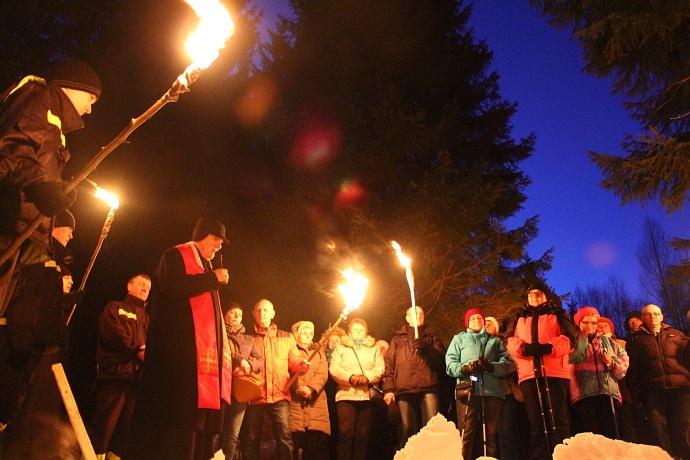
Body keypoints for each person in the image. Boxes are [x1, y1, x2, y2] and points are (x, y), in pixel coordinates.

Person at [127, 217, 233, 460]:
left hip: (197, 364)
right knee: (173, 424)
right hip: (175, 359)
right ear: (202, 235)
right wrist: (212, 279)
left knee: (193, 427)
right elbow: (171, 286)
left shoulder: (207, 267)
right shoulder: (175, 255)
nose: (219, 246)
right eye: (216, 240)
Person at [0, 59, 101, 311]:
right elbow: (13, 146)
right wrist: (39, 186)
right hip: (5, 219)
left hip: (16, 226)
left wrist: (57, 189)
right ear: (71, 86)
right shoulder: (38, 97)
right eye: (90, 98)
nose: (89, 109)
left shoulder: (54, 121)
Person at [0, 209, 80, 431]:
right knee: (6, 396)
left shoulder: (54, 259)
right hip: (17, 339)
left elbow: (44, 303)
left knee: (12, 401)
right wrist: (23, 337)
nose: (72, 236)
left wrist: (63, 304)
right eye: (70, 229)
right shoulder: (36, 252)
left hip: (31, 341)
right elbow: (25, 298)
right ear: (54, 227)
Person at [504, 283, 578, 460]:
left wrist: (548, 348)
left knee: (558, 419)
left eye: (538, 293)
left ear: (545, 296)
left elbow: (569, 339)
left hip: (554, 373)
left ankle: (563, 456)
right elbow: (508, 340)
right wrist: (524, 349)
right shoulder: (518, 317)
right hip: (529, 374)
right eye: (531, 294)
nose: (534, 296)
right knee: (536, 422)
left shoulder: (558, 314)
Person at [90, 274, 151, 459]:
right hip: (114, 377)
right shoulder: (115, 308)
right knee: (104, 426)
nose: (145, 289)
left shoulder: (148, 319)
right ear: (129, 286)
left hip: (135, 381)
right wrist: (138, 349)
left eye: (148, 287)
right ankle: (92, 456)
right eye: (141, 284)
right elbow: (113, 333)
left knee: (124, 431)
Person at [241, 299, 309, 460]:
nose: (262, 313)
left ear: (273, 314)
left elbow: (293, 360)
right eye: (258, 310)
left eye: (266, 310)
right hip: (254, 394)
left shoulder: (286, 337)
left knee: (284, 435)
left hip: (280, 394)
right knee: (251, 437)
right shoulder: (246, 336)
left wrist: (301, 365)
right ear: (253, 314)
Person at [446, 308, 513, 459]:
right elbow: (450, 364)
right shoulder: (459, 339)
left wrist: (491, 367)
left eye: (479, 317)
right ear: (467, 323)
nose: (477, 320)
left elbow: (505, 364)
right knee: (466, 432)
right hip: (467, 390)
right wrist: (466, 368)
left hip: (491, 391)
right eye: (473, 318)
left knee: (489, 434)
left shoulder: (494, 341)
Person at [626, 303, 690, 458]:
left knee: (681, 427)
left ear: (662, 316)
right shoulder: (636, 341)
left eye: (656, 313)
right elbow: (633, 369)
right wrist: (636, 392)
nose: (652, 317)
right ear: (643, 318)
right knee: (658, 430)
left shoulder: (677, 334)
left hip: (680, 388)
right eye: (648, 314)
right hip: (653, 391)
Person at [382, 306, 446, 449]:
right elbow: (389, 364)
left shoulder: (431, 337)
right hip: (404, 388)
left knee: (431, 427)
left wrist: (428, 348)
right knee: (407, 427)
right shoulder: (397, 339)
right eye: (414, 313)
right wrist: (388, 389)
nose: (418, 315)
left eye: (421, 313)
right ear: (407, 318)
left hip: (428, 386)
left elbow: (442, 362)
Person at [568, 306, 628, 439]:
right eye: (586, 322)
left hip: (607, 393)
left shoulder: (608, 342)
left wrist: (612, 362)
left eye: (593, 323)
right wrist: (583, 339)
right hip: (584, 395)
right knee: (592, 435)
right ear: (579, 323)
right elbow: (570, 360)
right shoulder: (573, 341)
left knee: (611, 435)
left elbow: (623, 363)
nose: (590, 326)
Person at [329, 318, 384, 460]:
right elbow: (334, 368)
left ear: (366, 332)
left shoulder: (374, 350)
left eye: (361, 329)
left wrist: (367, 378)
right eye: (355, 329)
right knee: (345, 434)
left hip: (366, 398)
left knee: (362, 436)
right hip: (346, 396)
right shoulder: (340, 349)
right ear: (349, 332)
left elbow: (380, 368)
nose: (359, 332)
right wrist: (350, 378)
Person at [220, 302, 262, 460]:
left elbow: (260, 360)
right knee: (216, 432)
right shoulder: (219, 332)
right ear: (225, 314)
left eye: (240, 314)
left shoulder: (248, 338)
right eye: (232, 312)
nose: (236, 316)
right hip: (220, 387)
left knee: (232, 434)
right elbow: (220, 350)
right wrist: (241, 360)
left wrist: (248, 366)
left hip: (240, 391)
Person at [290, 320, 331, 460]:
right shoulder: (291, 351)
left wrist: (311, 388)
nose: (308, 336)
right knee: (292, 447)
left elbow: (322, 373)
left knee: (312, 449)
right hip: (295, 404)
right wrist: (299, 388)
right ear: (296, 335)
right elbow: (287, 372)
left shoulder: (319, 352)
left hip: (315, 404)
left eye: (310, 333)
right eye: (304, 333)